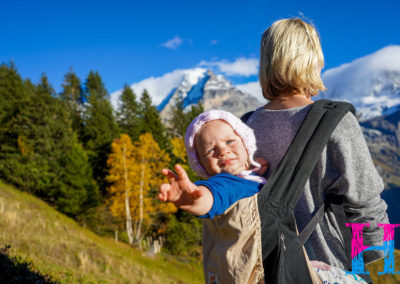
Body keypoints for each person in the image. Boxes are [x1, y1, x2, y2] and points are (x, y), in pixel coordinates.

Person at [246, 18, 389, 274]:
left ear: (266, 61)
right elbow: (368, 211)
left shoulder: (242, 128)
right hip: (324, 270)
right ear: (312, 59)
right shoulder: (334, 121)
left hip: (260, 271)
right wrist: (372, 266)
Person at [158, 109, 367, 284]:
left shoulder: (248, 178)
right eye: (211, 150)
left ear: (245, 143)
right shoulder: (222, 184)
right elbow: (211, 198)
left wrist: (256, 170)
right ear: (201, 165)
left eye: (230, 141)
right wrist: (194, 199)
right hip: (264, 270)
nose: (222, 151)